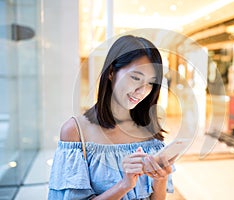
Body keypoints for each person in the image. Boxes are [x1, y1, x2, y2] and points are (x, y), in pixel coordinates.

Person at [48, 35, 175, 200]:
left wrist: (161, 178)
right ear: (111, 72)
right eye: (136, 78)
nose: (142, 90)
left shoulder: (148, 129)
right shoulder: (75, 131)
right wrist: (125, 185)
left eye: (151, 83)